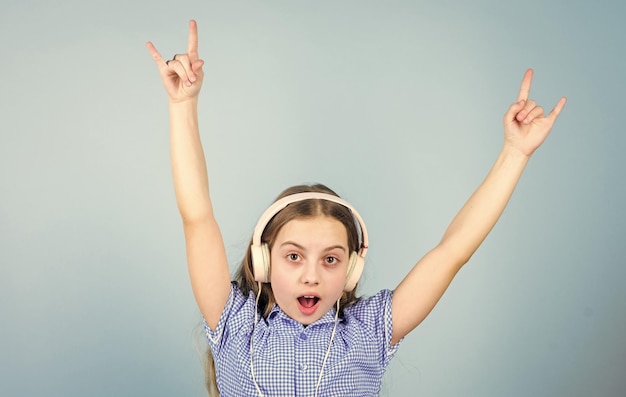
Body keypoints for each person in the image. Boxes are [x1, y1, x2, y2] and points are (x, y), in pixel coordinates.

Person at [146, 20, 566, 397]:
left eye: (331, 259)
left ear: (351, 270)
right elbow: (196, 216)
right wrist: (183, 106)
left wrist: (515, 154)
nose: (312, 274)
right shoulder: (234, 323)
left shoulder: (368, 332)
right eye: (293, 256)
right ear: (262, 259)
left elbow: (453, 251)